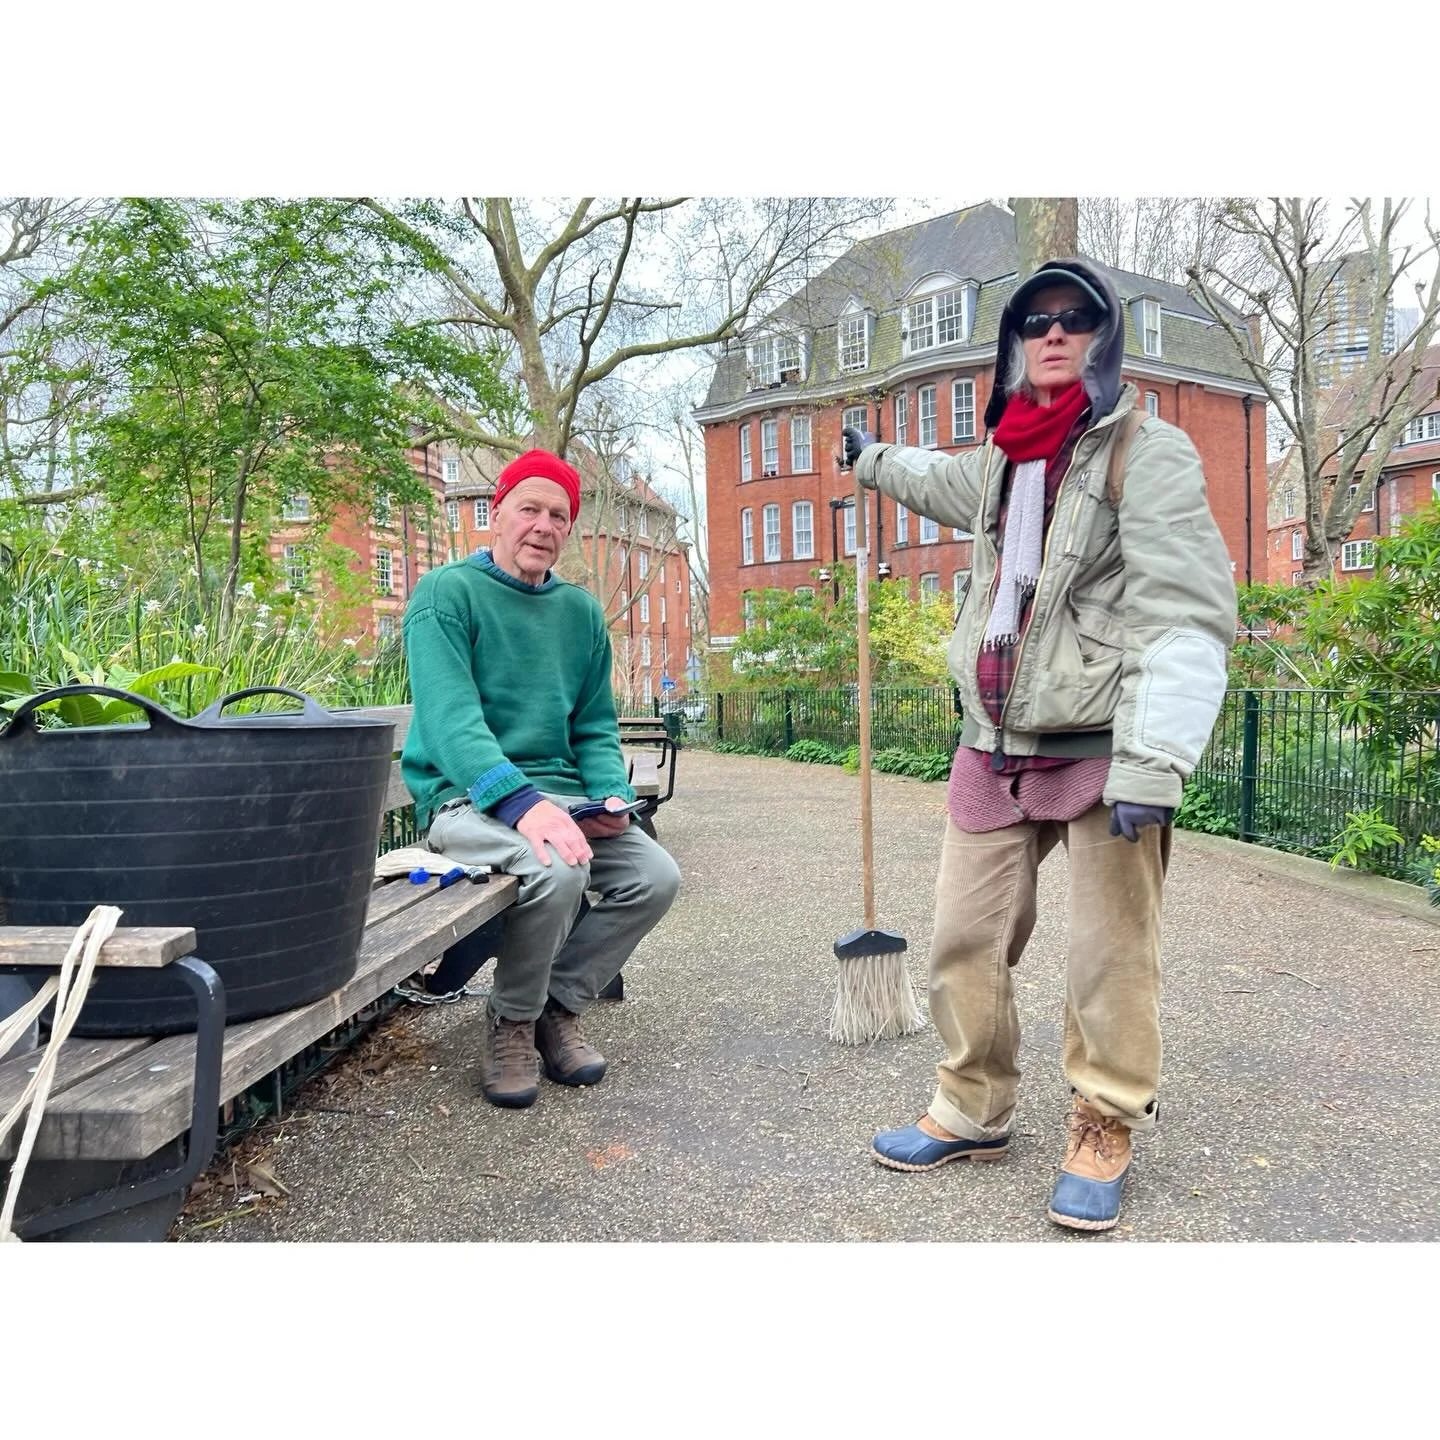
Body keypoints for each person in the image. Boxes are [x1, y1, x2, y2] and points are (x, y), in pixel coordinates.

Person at [843, 258, 1237, 1231]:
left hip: (1106, 741)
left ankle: (1104, 1119)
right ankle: (973, 1103)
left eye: (1075, 319)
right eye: (1035, 320)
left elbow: (1184, 608)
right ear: (1014, 341)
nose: (1053, 333)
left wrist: (1155, 758)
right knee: (962, 938)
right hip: (994, 739)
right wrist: (869, 459)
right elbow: (936, 478)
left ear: (1104, 340)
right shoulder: (1007, 458)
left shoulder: (1151, 453)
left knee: (1111, 954)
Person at [401, 449, 681, 1109]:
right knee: (556, 870)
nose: (544, 525)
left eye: (559, 515)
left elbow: (592, 725)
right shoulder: (446, 595)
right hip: (467, 799)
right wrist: (524, 805)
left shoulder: (580, 614)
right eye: (529, 509)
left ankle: (559, 1004)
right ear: (496, 516)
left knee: (655, 877)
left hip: (559, 798)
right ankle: (513, 1022)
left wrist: (611, 797)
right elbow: (451, 724)